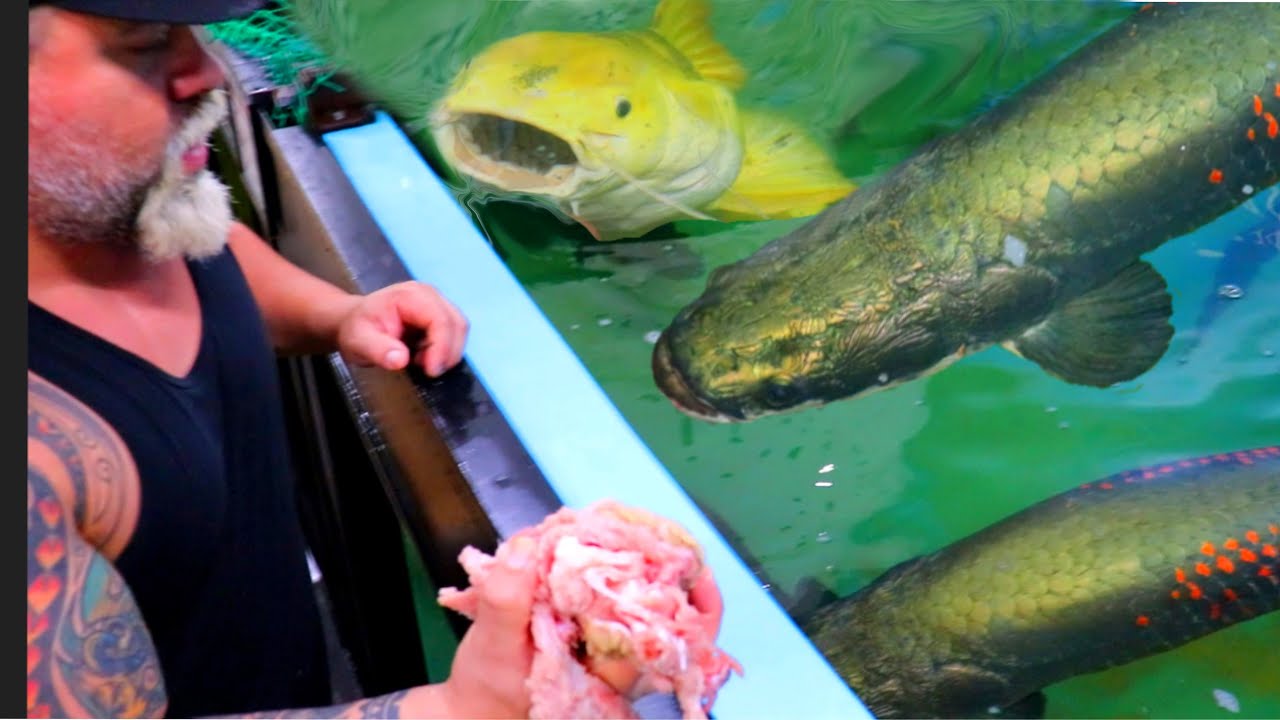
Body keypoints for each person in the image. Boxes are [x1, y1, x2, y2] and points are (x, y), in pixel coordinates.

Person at [26, 0, 724, 717]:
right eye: (145, 43)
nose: (205, 69)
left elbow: (215, 249)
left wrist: (338, 315)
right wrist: (460, 710)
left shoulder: (112, 204)